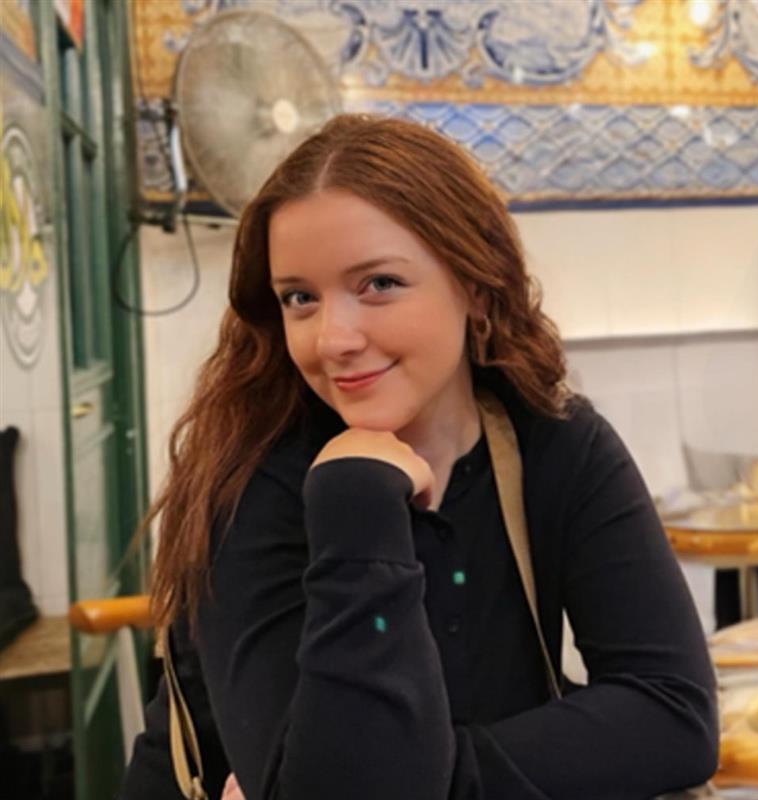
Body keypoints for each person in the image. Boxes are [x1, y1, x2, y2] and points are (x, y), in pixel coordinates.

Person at [121, 114, 718, 799]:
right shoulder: (251, 480)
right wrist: (355, 499)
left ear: (475, 285)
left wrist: (426, 781)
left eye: (378, 284)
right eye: (300, 298)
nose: (333, 338)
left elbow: (675, 715)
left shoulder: (554, 441)